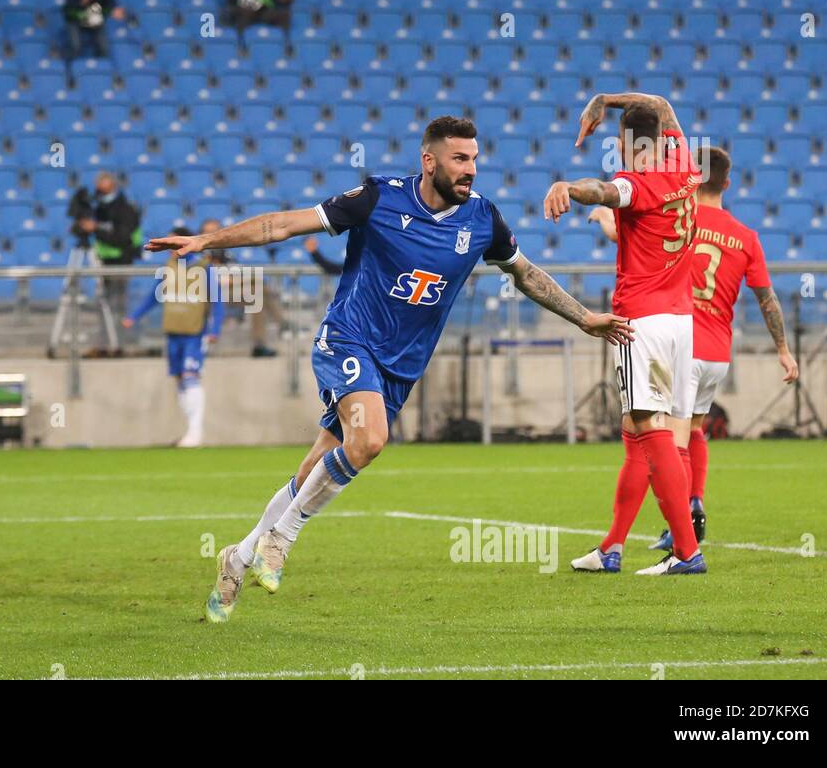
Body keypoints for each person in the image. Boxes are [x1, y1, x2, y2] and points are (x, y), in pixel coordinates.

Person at [147, 116, 634, 623]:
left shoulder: (482, 221)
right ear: (430, 161)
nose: (470, 170)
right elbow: (284, 224)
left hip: (400, 367)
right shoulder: (378, 198)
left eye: (474, 160)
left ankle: (240, 554)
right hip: (348, 339)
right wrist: (207, 243)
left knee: (318, 466)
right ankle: (282, 538)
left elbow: (526, 274)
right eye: (459, 160)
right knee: (370, 440)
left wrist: (585, 318)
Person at [588, 145, 799, 551]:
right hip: (718, 352)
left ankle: (680, 531)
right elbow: (767, 298)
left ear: (691, 178)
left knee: (660, 440)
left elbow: (622, 234)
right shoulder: (747, 237)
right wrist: (784, 350)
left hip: (676, 337)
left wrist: (600, 216)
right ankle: (694, 501)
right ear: (728, 182)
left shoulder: (679, 211)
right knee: (694, 430)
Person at [544, 91, 707, 576]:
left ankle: (686, 551)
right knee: (638, 432)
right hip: (680, 321)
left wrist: (567, 187)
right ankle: (612, 547)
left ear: (626, 143)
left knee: (648, 429)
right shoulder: (683, 159)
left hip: (644, 322)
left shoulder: (639, 182)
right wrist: (604, 99)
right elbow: (660, 103)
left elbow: (604, 191)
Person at [123, 227, 226, 447]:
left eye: (171, 242)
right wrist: (135, 316)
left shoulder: (203, 268)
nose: (167, 247)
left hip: (194, 333)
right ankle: (190, 430)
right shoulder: (168, 268)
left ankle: (195, 432)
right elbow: (155, 295)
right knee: (180, 378)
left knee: (191, 376)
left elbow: (217, 301)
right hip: (173, 332)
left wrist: (214, 329)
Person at [68, 172, 142, 352]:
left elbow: (123, 237)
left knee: (118, 304)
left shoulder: (126, 209)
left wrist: (96, 228)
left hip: (121, 262)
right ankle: (105, 341)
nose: (99, 189)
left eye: (103, 183)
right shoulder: (98, 208)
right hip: (103, 262)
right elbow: (76, 229)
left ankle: (120, 342)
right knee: (103, 303)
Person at [202, 217, 278, 357]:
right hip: (207, 294)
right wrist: (231, 278)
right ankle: (283, 324)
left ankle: (259, 344)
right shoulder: (200, 252)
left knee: (257, 295)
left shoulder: (226, 251)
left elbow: (234, 272)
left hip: (227, 290)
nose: (213, 234)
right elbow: (211, 279)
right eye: (209, 231)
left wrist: (231, 278)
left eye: (216, 231)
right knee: (257, 284)